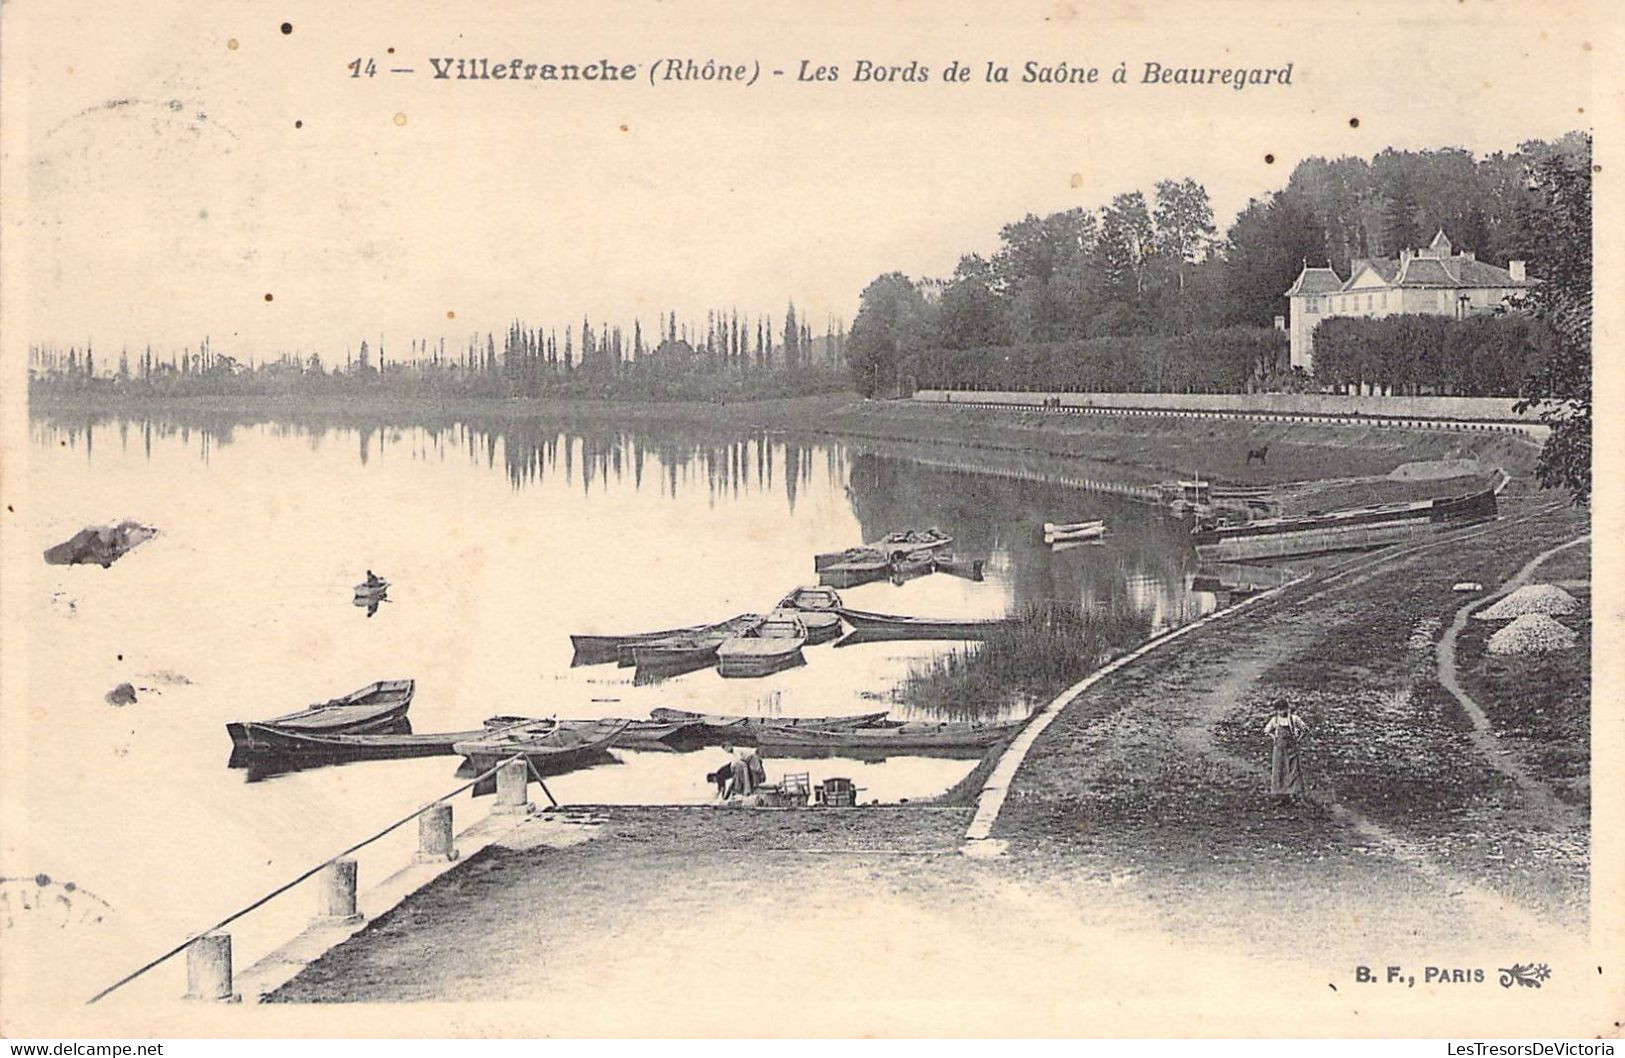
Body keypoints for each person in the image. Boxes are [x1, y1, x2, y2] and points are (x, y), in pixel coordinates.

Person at [1264, 700, 1308, 799]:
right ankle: (1279, 792)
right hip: (1279, 749)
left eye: (1283, 709)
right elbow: (1266, 730)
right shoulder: (1275, 720)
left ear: (1287, 709)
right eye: (1279, 710)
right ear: (1276, 711)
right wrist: (1273, 737)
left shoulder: (1293, 719)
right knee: (1279, 769)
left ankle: (1295, 792)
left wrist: (1298, 739)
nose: (1282, 712)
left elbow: (1305, 729)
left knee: (1293, 769)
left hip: (1292, 748)